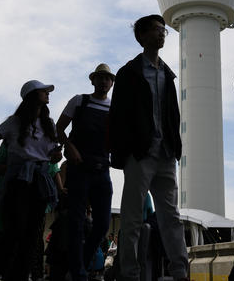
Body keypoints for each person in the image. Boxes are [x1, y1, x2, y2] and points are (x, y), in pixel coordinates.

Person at [108, 14, 189, 281]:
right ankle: (130, 273)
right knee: (131, 217)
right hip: (139, 153)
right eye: (156, 30)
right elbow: (118, 116)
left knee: (171, 218)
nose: (162, 34)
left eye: (163, 30)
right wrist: (122, 153)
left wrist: (176, 147)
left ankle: (180, 272)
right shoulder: (128, 73)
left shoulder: (168, 73)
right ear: (141, 36)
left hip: (165, 153)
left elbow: (173, 115)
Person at [0, 80, 62, 281]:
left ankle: (17, 275)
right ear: (32, 95)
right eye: (44, 91)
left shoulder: (49, 124)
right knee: (16, 230)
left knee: (32, 234)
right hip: (18, 182)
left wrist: (55, 156)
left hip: (40, 182)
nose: (48, 94)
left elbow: (52, 155)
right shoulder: (14, 122)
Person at [56, 63, 115, 281]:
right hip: (79, 169)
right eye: (100, 77)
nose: (103, 81)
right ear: (92, 80)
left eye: (107, 78)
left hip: (102, 170)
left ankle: (80, 265)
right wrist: (69, 147)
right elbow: (58, 128)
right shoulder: (79, 101)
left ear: (111, 83)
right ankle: (78, 273)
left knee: (102, 224)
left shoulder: (114, 107)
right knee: (76, 222)